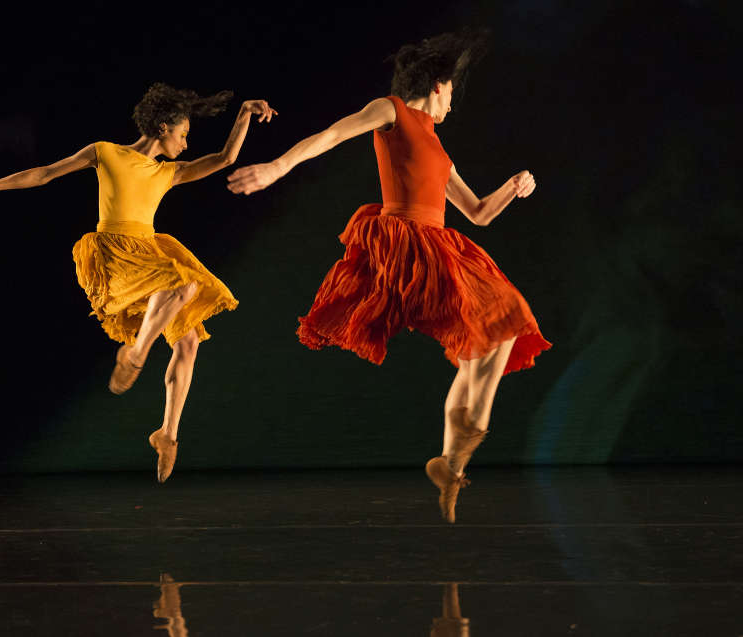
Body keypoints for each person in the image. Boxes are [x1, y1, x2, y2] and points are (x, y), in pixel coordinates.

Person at [227, 31, 550, 522]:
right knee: (504, 317)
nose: (450, 106)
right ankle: (465, 443)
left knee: (495, 335)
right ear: (440, 85)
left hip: (441, 243)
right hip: (407, 241)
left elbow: (479, 214)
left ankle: (452, 463)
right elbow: (333, 134)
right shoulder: (391, 109)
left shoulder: (440, 149)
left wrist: (512, 187)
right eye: (451, 94)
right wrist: (278, 166)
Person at [0, 83, 276, 482]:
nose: (186, 144)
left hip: (149, 250)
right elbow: (46, 173)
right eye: (183, 134)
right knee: (183, 287)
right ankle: (135, 354)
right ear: (161, 127)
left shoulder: (169, 172)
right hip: (114, 251)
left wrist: (243, 114)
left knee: (189, 340)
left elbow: (226, 157)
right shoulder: (106, 152)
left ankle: (167, 433)